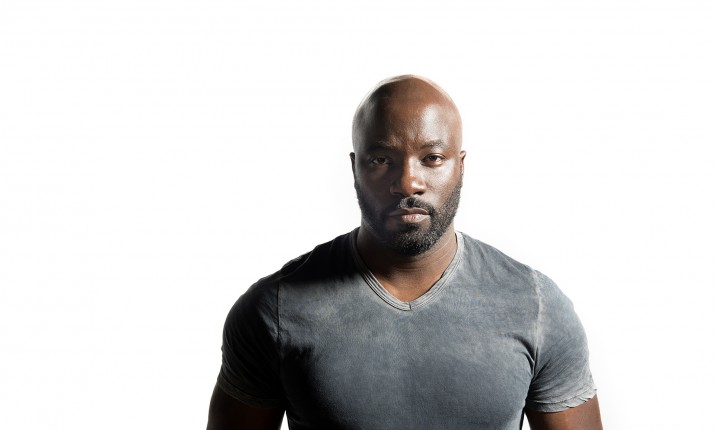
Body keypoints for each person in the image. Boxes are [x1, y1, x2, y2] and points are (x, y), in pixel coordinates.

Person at [206, 75, 603, 430]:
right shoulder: (274, 309)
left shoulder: (535, 306)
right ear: (355, 168)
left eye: (432, 159)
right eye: (382, 160)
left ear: (460, 166)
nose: (408, 182)